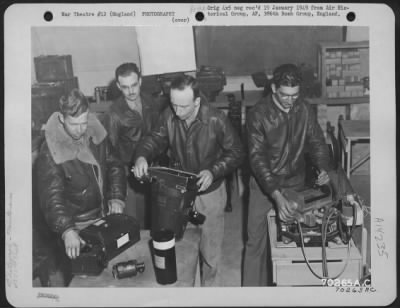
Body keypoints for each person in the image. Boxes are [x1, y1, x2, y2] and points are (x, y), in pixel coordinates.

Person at [132, 75, 244, 286]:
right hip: (179, 191)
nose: (177, 111)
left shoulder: (216, 119)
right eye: (173, 104)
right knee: (181, 248)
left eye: (183, 106)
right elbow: (154, 140)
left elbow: (237, 151)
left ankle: (208, 296)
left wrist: (213, 171)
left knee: (210, 256)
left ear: (197, 102)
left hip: (210, 193)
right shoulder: (169, 115)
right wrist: (141, 156)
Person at [242, 64, 332, 286]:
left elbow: (317, 142)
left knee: (297, 238)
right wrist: (276, 195)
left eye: (295, 95)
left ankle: (292, 290)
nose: (290, 100)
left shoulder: (304, 109)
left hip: (295, 182)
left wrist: (323, 168)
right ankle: (251, 296)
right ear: (273, 88)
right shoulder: (257, 115)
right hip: (264, 185)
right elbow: (257, 160)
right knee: (256, 243)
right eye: (284, 95)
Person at [36, 89, 127, 260]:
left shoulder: (96, 131)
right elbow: (52, 197)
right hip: (77, 225)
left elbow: (114, 164)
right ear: (62, 119)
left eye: (84, 122)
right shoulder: (49, 151)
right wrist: (67, 230)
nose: (80, 130)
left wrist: (116, 197)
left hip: (104, 213)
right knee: (86, 275)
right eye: (74, 124)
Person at [103, 63, 165, 228]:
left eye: (134, 85)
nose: (130, 92)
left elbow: (159, 136)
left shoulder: (151, 103)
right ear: (118, 86)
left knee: (157, 221)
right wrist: (115, 193)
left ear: (140, 81)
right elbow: (110, 155)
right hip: (129, 177)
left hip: (153, 171)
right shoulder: (114, 114)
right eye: (125, 87)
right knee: (134, 224)